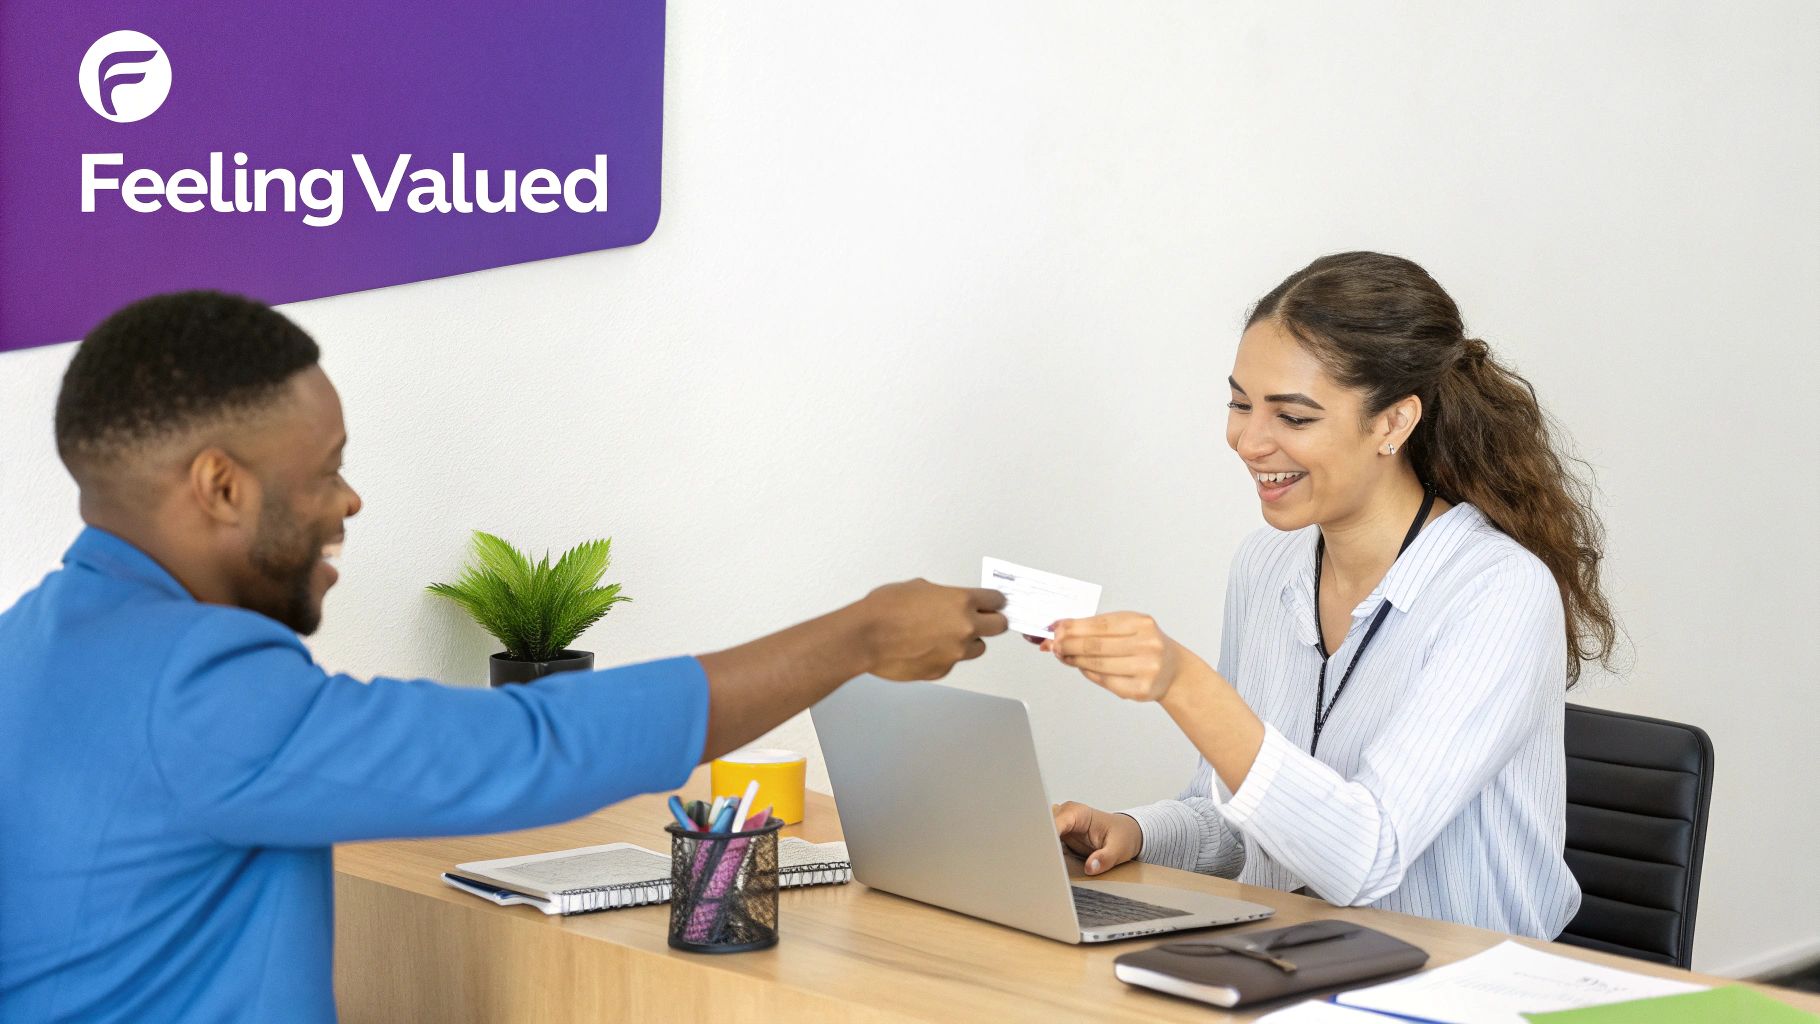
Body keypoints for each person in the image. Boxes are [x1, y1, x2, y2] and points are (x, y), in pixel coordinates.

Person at [0, 291, 1009, 1023]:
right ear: (220, 487)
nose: (347, 502)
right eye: (326, 471)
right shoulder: (193, 688)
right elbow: (528, 747)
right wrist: (859, 635)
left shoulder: (36, 638)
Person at [1047, 252, 1617, 939]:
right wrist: (1136, 832)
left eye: (1292, 416)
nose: (1249, 441)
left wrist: (1183, 683)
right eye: (1239, 403)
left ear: (1392, 423)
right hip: (1287, 967)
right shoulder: (1268, 565)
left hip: (1455, 992)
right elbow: (1239, 817)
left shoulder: (1497, 592)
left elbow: (1364, 860)